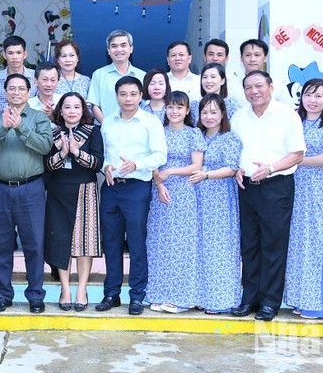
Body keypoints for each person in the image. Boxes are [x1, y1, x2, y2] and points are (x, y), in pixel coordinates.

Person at [231, 71, 305, 322]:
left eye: (259, 86)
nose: (254, 91)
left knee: (273, 244)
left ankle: (270, 302)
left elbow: (297, 154)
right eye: (248, 87)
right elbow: (236, 149)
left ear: (271, 87)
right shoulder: (239, 117)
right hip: (246, 186)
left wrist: (271, 168)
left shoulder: (287, 115)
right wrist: (237, 168)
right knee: (249, 244)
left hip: (276, 186)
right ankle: (249, 299)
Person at [0, 73, 53, 313]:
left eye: (21, 88)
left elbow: (45, 146)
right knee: (0, 245)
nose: (16, 92)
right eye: (12, 88)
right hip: (1, 189)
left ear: (29, 92)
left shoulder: (39, 118)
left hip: (31, 189)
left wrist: (20, 127)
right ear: (5, 92)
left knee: (34, 244)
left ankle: (35, 296)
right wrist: (3, 128)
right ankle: (2, 295)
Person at [96, 76, 167, 316]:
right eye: (123, 94)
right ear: (116, 96)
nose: (128, 99)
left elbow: (160, 155)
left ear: (141, 96)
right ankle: (111, 293)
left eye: (133, 94)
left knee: (136, 243)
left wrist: (137, 164)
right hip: (111, 187)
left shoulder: (150, 122)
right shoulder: (108, 122)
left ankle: (137, 295)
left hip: (137, 188)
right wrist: (105, 166)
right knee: (111, 242)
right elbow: (102, 153)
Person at [284, 79, 323, 319]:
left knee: (316, 245)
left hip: (318, 191)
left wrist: (297, 160)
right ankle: (299, 299)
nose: (312, 100)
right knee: (297, 245)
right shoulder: (294, 122)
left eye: (318, 95)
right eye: (308, 94)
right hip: (294, 189)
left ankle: (318, 304)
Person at [145, 91, 206, 314]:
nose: (174, 111)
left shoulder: (193, 133)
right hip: (159, 192)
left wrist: (170, 171)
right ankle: (159, 293)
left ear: (187, 110)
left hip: (184, 193)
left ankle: (182, 298)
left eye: (179, 107)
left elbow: (196, 166)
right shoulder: (158, 131)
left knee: (182, 245)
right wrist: (159, 183)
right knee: (159, 244)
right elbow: (152, 160)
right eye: (171, 106)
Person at [44, 92, 103, 312]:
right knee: (61, 241)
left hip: (85, 190)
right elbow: (47, 165)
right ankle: (66, 289)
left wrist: (77, 152)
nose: (72, 111)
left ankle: (82, 290)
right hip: (58, 191)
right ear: (60, 110)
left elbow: (97, 163)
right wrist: (62, 153)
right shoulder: (52, 132)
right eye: (67, 107)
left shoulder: (93, 131)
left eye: (77, 107)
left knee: (84, 242)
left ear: (83, 110)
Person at [191, 93, 242, 313]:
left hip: (220, 200)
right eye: (204, 112)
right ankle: (200, 296)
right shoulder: (197, 136)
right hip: (197, 199)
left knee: (219, 249)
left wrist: (206, 175)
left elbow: (231, 168)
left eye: (214, 112)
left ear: (223, 114)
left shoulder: (229, 138)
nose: (209, 117)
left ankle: (221, 300)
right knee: (199, 248)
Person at [88, 30, 146, 123]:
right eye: (114, 46)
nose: (119, 50)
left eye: (123, 45)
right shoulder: (98, 75)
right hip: (105, 128)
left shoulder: (142, 76)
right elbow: (94, 105)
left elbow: (145, 106)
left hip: (136, 128)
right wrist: (107, 126)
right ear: (108, 50)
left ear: (131, 49)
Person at [0, 35, 37, 112]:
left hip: (30, 119)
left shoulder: (35, 76)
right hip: (3, 118)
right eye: (10, 53)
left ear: (25, 54)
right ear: (5, 55)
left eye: (18, 53)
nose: (15, 57)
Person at [233, 39, 269, 106]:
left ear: (265, 58)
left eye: (257, 55)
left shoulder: (275, 84)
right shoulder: (231, 86)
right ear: (241, 58)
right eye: (248, 55)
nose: (252, 59)